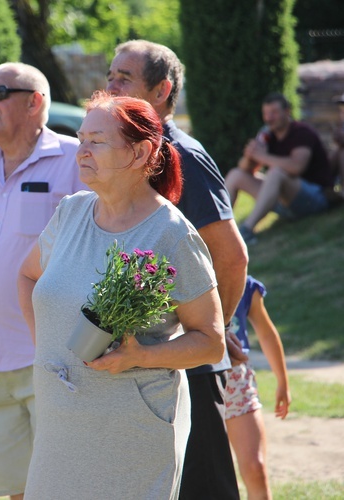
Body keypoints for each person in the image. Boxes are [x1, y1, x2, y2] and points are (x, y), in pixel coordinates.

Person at [18, 91, 225, 499]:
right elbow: (26, 276)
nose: (81, 151)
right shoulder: (72, 211)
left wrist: (140, 356)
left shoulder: (172, 233)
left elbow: (212, 342)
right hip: (61, 418)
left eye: (96, 141)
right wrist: (45, 347)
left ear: (139, 152)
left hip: (133, 426)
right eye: (80, 139)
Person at [106, 40, 248, 500]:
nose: (110, 86)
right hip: (144, 357)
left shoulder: (179, 154)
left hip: (187, 360)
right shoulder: (132, 153)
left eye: (123, 78)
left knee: (204, 486)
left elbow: (231, 257)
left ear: (162, 89)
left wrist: (214, 327)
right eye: (110, 76)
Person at [0, 62, 87, 499]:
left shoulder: (75, 159)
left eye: (0, 93)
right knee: (14, 491)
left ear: (36, 102)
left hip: (50, 357)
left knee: (64, 486)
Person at [225, 92, 335, 244]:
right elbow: (244, 169)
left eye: (274, 113)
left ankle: (246, 231)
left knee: (276, 172)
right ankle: (222, 229)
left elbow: (297, 167)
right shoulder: (268, 135)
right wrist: (250, 155)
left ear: (287, 112)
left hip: (316, 199)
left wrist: (262, 156)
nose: (269, 118)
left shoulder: (302, 133)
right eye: (266, 113)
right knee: (235, 174)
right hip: (286, 202)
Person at [225, 275, 291, 500]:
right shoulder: (184, 270)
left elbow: (265, 332)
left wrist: (282, 381)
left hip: (237, 380)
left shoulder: (244, 283)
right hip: (195, 381)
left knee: (256, 467)